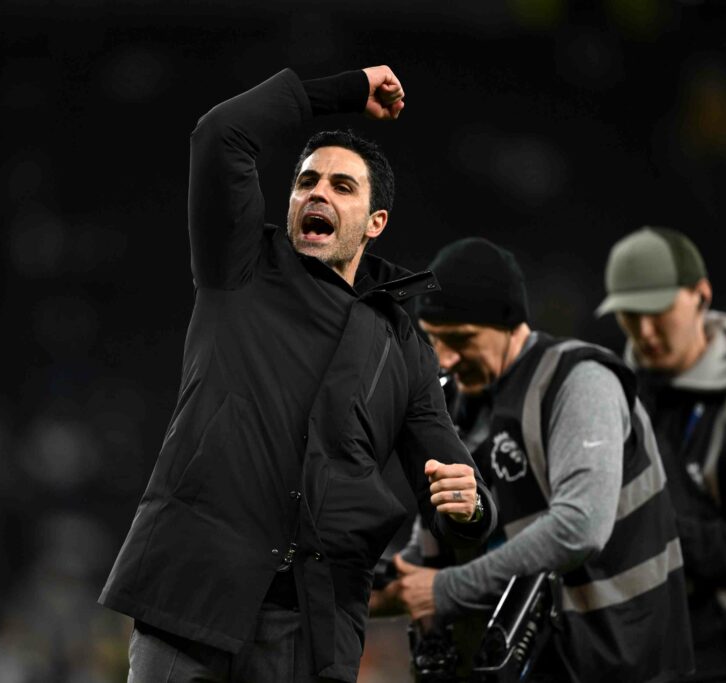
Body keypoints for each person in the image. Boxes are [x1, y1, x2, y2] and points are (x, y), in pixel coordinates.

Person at [97, 65, 496, 683]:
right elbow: (219, 134)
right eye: (306, 181)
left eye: (342, 187)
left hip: (309, 629)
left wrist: (471, 509)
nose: (318, 194)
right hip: (191, 601)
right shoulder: (241, 263)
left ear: (375, 222)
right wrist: (340, 93)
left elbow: (447, 478)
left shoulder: (403, 344)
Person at [378, 237, 694, 682]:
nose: (445, 360)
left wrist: (446, 590)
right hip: (548, 664)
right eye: (434, 341)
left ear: (509, 323)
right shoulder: (459, 408)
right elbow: (428, 553)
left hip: (623, 660)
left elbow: (579, 526)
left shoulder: (580, 381)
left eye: (461, 339)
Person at [595, 226, 726, 683]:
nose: (645, 331)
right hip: (632, 647)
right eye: (630, 315)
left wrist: (652, 533)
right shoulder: (609, 396)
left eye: (659, 311)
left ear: (701, 296)